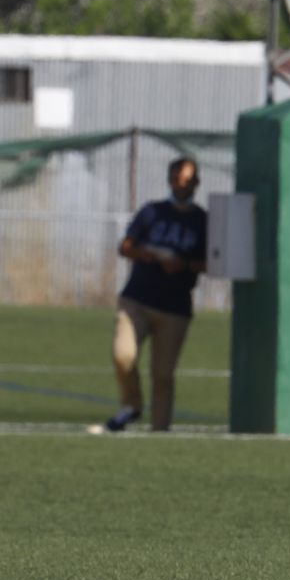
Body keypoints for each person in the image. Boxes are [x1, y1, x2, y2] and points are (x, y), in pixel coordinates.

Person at [102, 157, 208, 433]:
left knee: (162, 375)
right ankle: (132, 405)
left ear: (196, 183)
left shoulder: (201, 220)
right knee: (123, 355)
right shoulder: (152, 212)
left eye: (186, 180)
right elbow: (126, 246)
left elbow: (209, 263)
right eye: (175, 179)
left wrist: (182, 264)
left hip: (174, 307)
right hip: (137, 299)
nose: (180, 185)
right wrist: (146, 254)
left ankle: (160, 430)